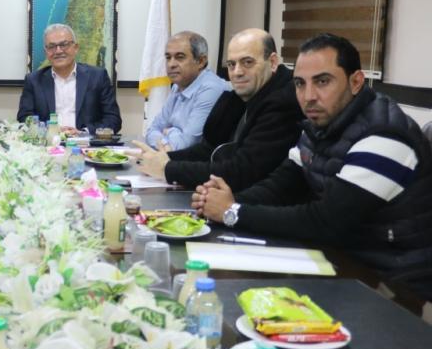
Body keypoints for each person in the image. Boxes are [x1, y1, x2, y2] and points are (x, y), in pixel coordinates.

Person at [193, 34, 432, 297]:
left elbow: (325, 221)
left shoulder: (385, 136)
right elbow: (281, 187)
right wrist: (222, 202)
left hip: (394, 283)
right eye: (300, 83)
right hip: (340, 261)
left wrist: (233, 212)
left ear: (355, 82)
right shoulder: (318, 126)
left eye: (322, 81)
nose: (308, 96)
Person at [133, 28, 302, 191]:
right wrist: (164, 158)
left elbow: (241, 171)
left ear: (272, 62)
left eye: (247, 62)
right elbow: (208, 149)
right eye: (231, 64)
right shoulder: (241, 94)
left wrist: (168, 169)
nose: (237, 72)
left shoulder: (283, 102)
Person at [17, 23, 122, 133]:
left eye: (64, 44)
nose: (58, 51)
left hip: (86, 142)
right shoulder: (33, 80)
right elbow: (24, 118)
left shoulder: (98, 77)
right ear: (46, 52)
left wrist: (83, 133)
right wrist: (49, 130)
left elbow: (113, 120)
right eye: (51, 47)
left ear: (75, 48)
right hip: (49, 141)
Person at [144, 31, 231, 150]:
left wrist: (169, 131)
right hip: (175, 158)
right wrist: (169, 140)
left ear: (201, 61)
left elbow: (186, 145)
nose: (171, 64)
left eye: (180, 57)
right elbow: (151, 131)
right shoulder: (178, 86)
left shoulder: (211, 88)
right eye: (168, 58)